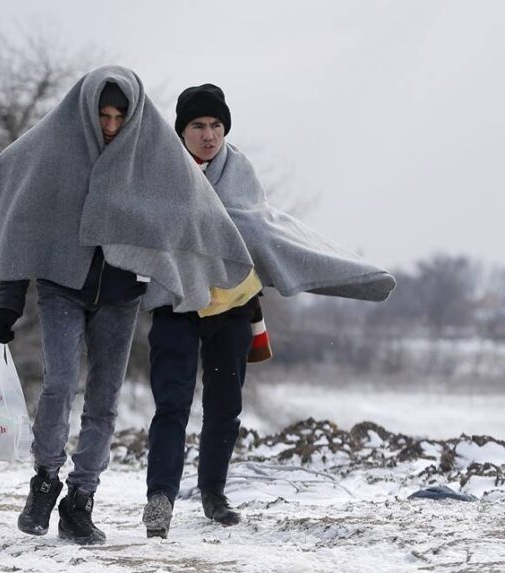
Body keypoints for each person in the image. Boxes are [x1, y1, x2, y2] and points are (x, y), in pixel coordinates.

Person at [0, 66, 254, 545]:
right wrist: (8, 304)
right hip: (60, 287)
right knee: (60, 385)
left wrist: (200, 278)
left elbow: (195, 216)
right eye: (103, 115)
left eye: (119, 117)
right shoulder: (52, 153)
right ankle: (45, 480)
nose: (110, 126)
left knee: (104, 402)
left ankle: (80, 499)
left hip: (121, 295)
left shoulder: (150, 159)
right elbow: (21, 228)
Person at [141, 84, 397, 538]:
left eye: (216, 125)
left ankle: (214, 494)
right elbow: (143, 226)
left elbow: (261, 226)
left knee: (225, 407)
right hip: (176, 304)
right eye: (198, 126)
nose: (209, 135)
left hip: (233, 306)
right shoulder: (159, 171)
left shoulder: (239, 171)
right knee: (171, 405)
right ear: (181, 131)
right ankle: (160, 498)